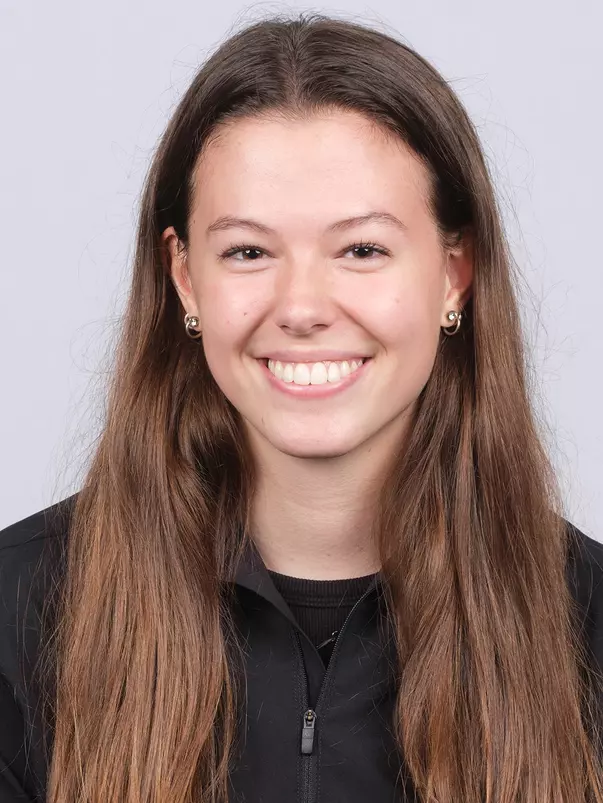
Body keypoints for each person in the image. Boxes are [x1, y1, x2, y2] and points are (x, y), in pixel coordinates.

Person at [1, 11, 603, 803]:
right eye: (247, 251)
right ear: (185, 278)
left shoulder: (585, 621)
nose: (302, 306)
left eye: (361, 249)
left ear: (454, 273)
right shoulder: (18, 609)